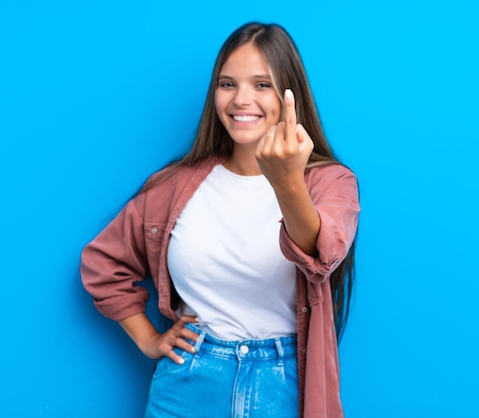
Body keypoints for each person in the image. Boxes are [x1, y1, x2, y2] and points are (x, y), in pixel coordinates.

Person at [80, 22, 360, 418]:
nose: (241, 100)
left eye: (262, 85)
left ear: (288, 94)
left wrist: (286, 184)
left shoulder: (331, 182)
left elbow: (322, 254)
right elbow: (102, 264)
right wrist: (149, 340)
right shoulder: (173, 186)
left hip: (284, 386)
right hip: (189, 380)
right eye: (228, 84)